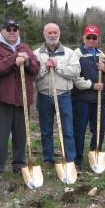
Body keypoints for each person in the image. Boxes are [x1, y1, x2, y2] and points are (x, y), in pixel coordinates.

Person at [0, 19, 40, 181]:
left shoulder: (25, 48)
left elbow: (36, 68)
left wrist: (27, 61)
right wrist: (14, 59)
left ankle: (19, 165)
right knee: (0, 135)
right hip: (2, 100)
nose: (12, 31)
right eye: (8, 29)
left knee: (21, 135)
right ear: (2, 31)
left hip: (22, 100)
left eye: (15, 29)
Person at [34, 23, 80, 168]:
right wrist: (45, 68)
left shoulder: (69, 53)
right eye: (49, 33)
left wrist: (58, 66)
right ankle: (48, 159)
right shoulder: (36, 54)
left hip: (63, 95)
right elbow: (32, 75)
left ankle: (69, 159)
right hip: (44, 96)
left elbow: (75, 72)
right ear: (44, 34)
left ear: (59, 33)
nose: (52, 35)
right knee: (46, 130)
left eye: (55, 32)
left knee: (67, 129)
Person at [72, 25, 105, 171]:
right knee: (79, 129)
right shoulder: (76, 54)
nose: (92, 40)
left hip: (99, 99)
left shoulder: (102, 54)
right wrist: (91, 85)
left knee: (99, 129)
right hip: (82, 98)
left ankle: (96, 155)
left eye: (94, 37)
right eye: (89, 37)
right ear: (83, 37)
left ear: (98, 38)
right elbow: (75, 77)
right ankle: (77, 159)